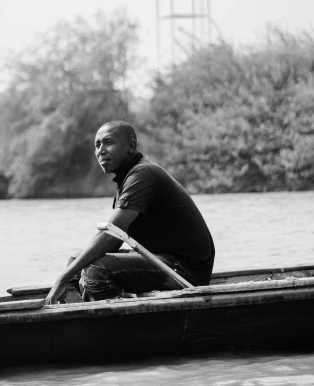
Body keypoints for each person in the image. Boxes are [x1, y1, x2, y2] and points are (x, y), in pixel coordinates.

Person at [45, 120, 215, 304]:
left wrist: (62, 278)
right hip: (160, 260)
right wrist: (72, 270)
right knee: (76, 261)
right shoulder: (126, 179)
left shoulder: (142, 174)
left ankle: (123, 319)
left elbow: (112, 232)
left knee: (96, 270)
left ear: (131, 146)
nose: (101, 150)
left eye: (108, 142)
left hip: (185, 271)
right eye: (97, 145)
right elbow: (115, 238)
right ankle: (94, 311)